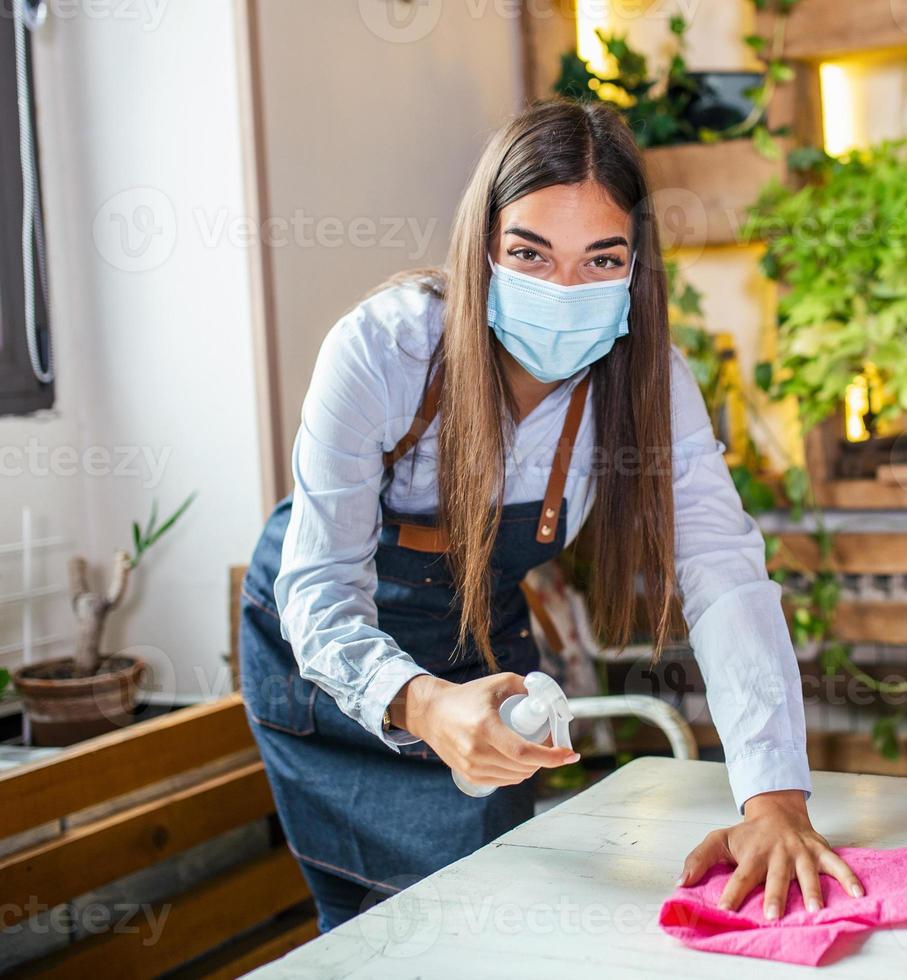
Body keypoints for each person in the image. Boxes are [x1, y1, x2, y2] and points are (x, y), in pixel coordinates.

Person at [238, 98, 860, 932]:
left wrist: (774, 800)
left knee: (491, 914)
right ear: (484, 245)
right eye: (530, 254)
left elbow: (724, 575)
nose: (564, 291)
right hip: (329, 666)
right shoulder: (383, 350)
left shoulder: (649, 380)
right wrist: (420, 704)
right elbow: (317, 591)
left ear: (637, 268)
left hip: (479, 651)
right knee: (375, 934)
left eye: (602, 261)